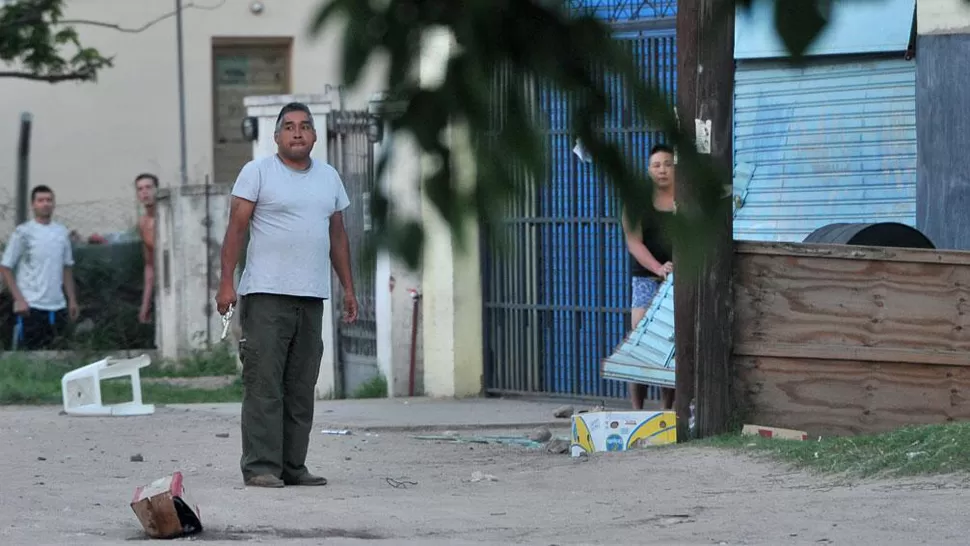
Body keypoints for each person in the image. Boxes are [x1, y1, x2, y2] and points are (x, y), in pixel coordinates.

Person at [215, 101, 358, 489]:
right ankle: (261, 466)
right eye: (289, 127)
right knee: (264, 382)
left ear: (315, 135)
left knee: (301, 385)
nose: (297, 132)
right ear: (276, 136)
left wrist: (348, 289)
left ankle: (293, 466)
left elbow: (338, 237)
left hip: (311, 296)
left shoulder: (329, 178)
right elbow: (236, 230)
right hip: (266, 295)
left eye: (305, 126)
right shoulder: (257, 172)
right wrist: (226, 282)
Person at [622, 143, 676, 411]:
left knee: (669, 347)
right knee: (640, 343)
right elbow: (634, 243)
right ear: (648, 170)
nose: (662, 170)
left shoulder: (684, 201)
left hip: (676, 281)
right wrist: (658, 268)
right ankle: (637, 411)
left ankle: (668, 411)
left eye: (667, 164)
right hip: (646, 279)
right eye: (656, 165)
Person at [0, 185, 80, 350]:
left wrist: (71, 299)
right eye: (41, 200)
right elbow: (5, 267)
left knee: (57, 354)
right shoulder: (23, 233)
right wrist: (19, 299)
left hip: (57, 306)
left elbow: (67, 268)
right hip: (31, 306)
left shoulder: (61, 232)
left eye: (49, 200)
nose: (45, 204)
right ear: (33, 204)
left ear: (54, 204)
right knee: (30, 355)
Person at [134, 173, 158, 325]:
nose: (144, 192)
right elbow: (149, 265)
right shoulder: (143, 223)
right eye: (140, 189)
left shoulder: (168, 217)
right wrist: (145, 304)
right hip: (162, 287)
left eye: (148, 187)